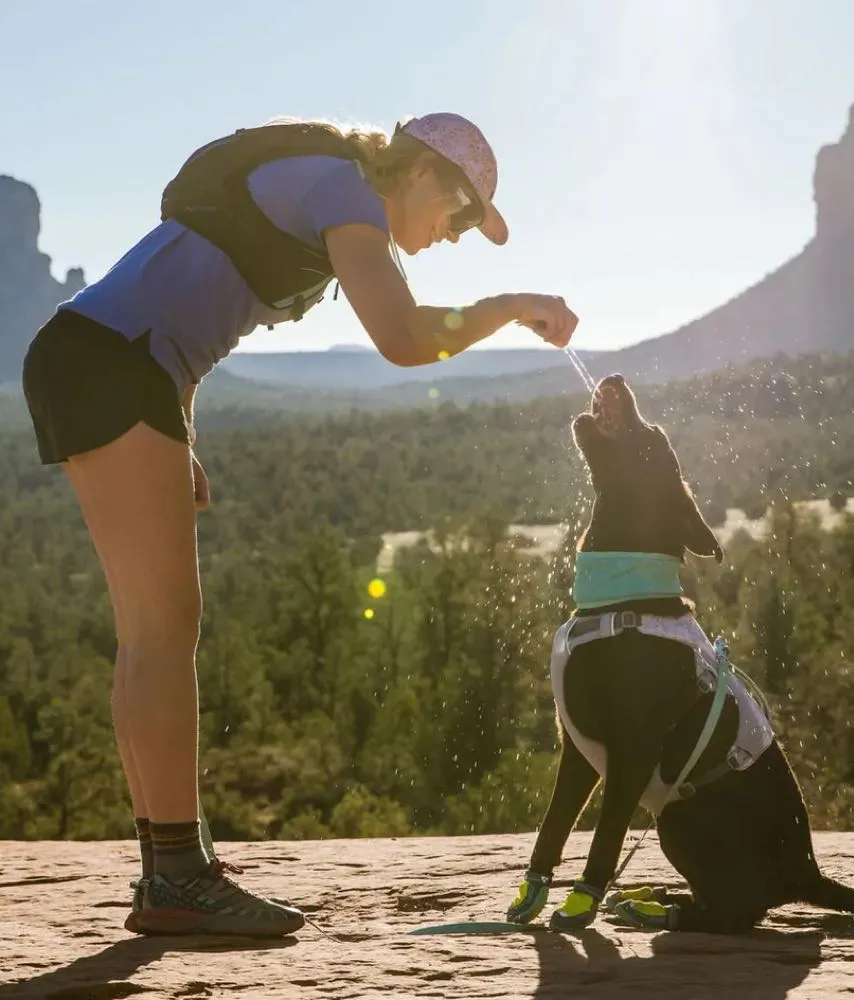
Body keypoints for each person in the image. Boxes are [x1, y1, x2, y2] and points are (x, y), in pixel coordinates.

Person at [21, 111, 578, 938]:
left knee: (150, 631)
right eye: (461, 215)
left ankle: (170, 866)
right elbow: (402, 339)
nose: (456, 236)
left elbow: (179, 302)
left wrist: (181, 434)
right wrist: (513, 305)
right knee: (165, 630)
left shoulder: (331, 195)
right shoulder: (346, 191)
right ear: (425, 173)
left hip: (105, 362)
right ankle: (179, 874)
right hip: (112, 366)